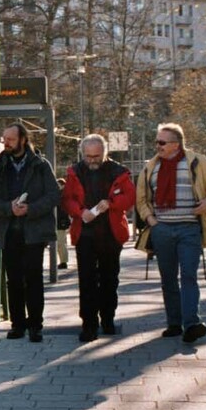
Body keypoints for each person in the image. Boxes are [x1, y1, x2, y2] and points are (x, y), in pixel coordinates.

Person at [135, 123, 206, 344]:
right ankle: (174, 324)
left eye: (162, 142)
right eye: (156, 141)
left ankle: (192, 324)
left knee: (188, 275)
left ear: (176, 144)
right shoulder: (151, 167)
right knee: (168, 278)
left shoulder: (197, 162)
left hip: (189, 228)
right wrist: (150, 219)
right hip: (162, 229)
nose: (157, 146)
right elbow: (141, 198)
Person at [0, 123, 59, 343]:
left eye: (10, 139)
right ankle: (17, 325)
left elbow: (53, 195)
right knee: (13, 280)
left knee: (34, 279)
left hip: (34, 232)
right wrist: (8, 208)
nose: (5, 143)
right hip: (8, 233)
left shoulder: (40, 165)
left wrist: (30, 209)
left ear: (23, 140)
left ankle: (35, 325)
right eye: (4, 139)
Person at [62, 135, 136, 342]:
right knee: (86, 281)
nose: (92, 161)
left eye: (96, 156)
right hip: (85, 233)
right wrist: (80, 212)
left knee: (109, 278)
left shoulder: (118, 171)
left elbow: (130, 197)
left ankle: (108, 318)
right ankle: (89, 324)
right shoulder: (75, 171)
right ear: (82, 154)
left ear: (104, 153)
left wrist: (111, 203)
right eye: (88, 156)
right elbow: (67, 199)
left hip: (110, 233)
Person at [55, 179, 71, 269]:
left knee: (60, 243)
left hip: (61, 222)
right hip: (61, 221)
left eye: (58, 185)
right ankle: (63, 261)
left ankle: (63, 262)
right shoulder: (61, 194)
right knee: (61, 243)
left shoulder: (62, 195)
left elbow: (63, 210)